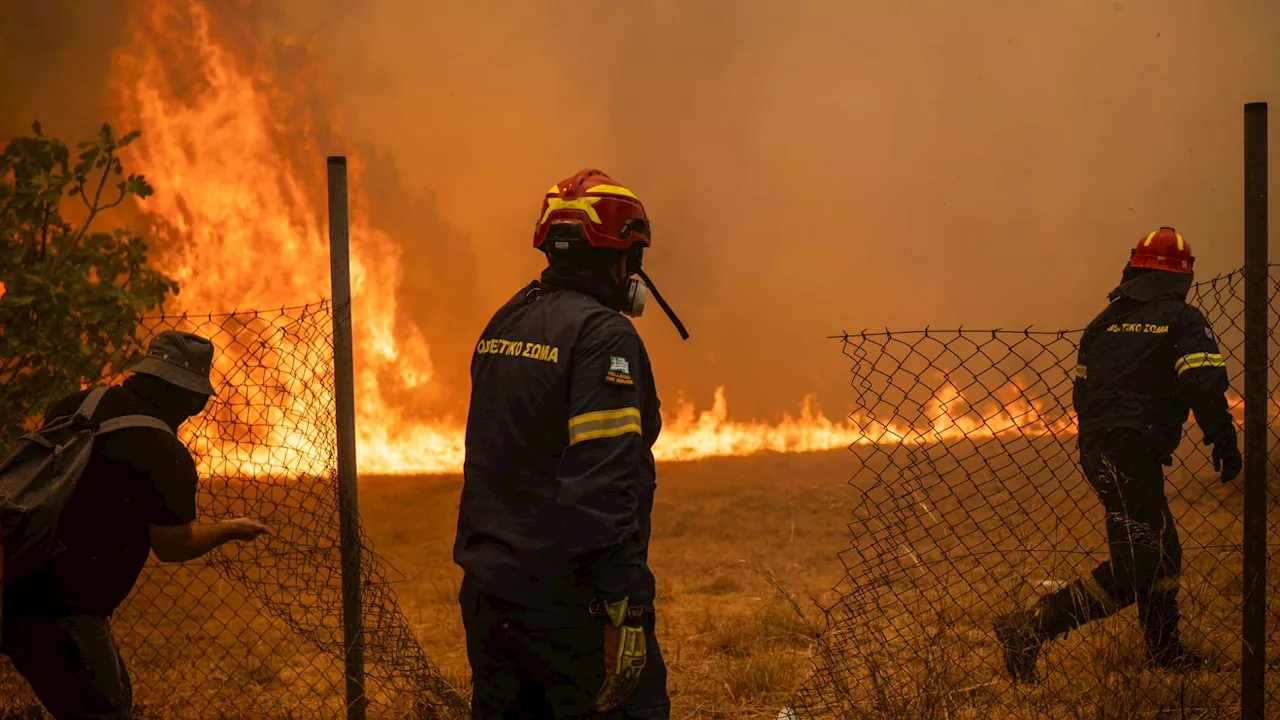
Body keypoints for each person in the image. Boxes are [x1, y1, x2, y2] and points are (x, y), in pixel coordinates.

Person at [454, 169, 687, 719]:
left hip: (491, 598)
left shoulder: (505, 321)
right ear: (619, 257)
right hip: (568, 609)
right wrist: (626, 608)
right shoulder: (604, 336)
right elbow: (602, 486)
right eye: (635, 256)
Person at [994, 227, 1242, 683]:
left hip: (1100, 450)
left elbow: (1082, 395)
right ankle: (1030, 627)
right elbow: (1204, 384)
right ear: (1182, 278)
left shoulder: (1103, 322)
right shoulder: (1183, 319)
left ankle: (1164, 651)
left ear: (1134, 268)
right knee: (1138, 565)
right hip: (1134, 452)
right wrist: (1222, 438)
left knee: (1163, 551)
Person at [0, 330, 273, 719]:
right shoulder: (165, 454)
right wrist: (231, 528)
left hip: (11, 573)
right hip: (61, 608)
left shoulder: (78, 404)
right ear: (186, 395)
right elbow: (173, 545)